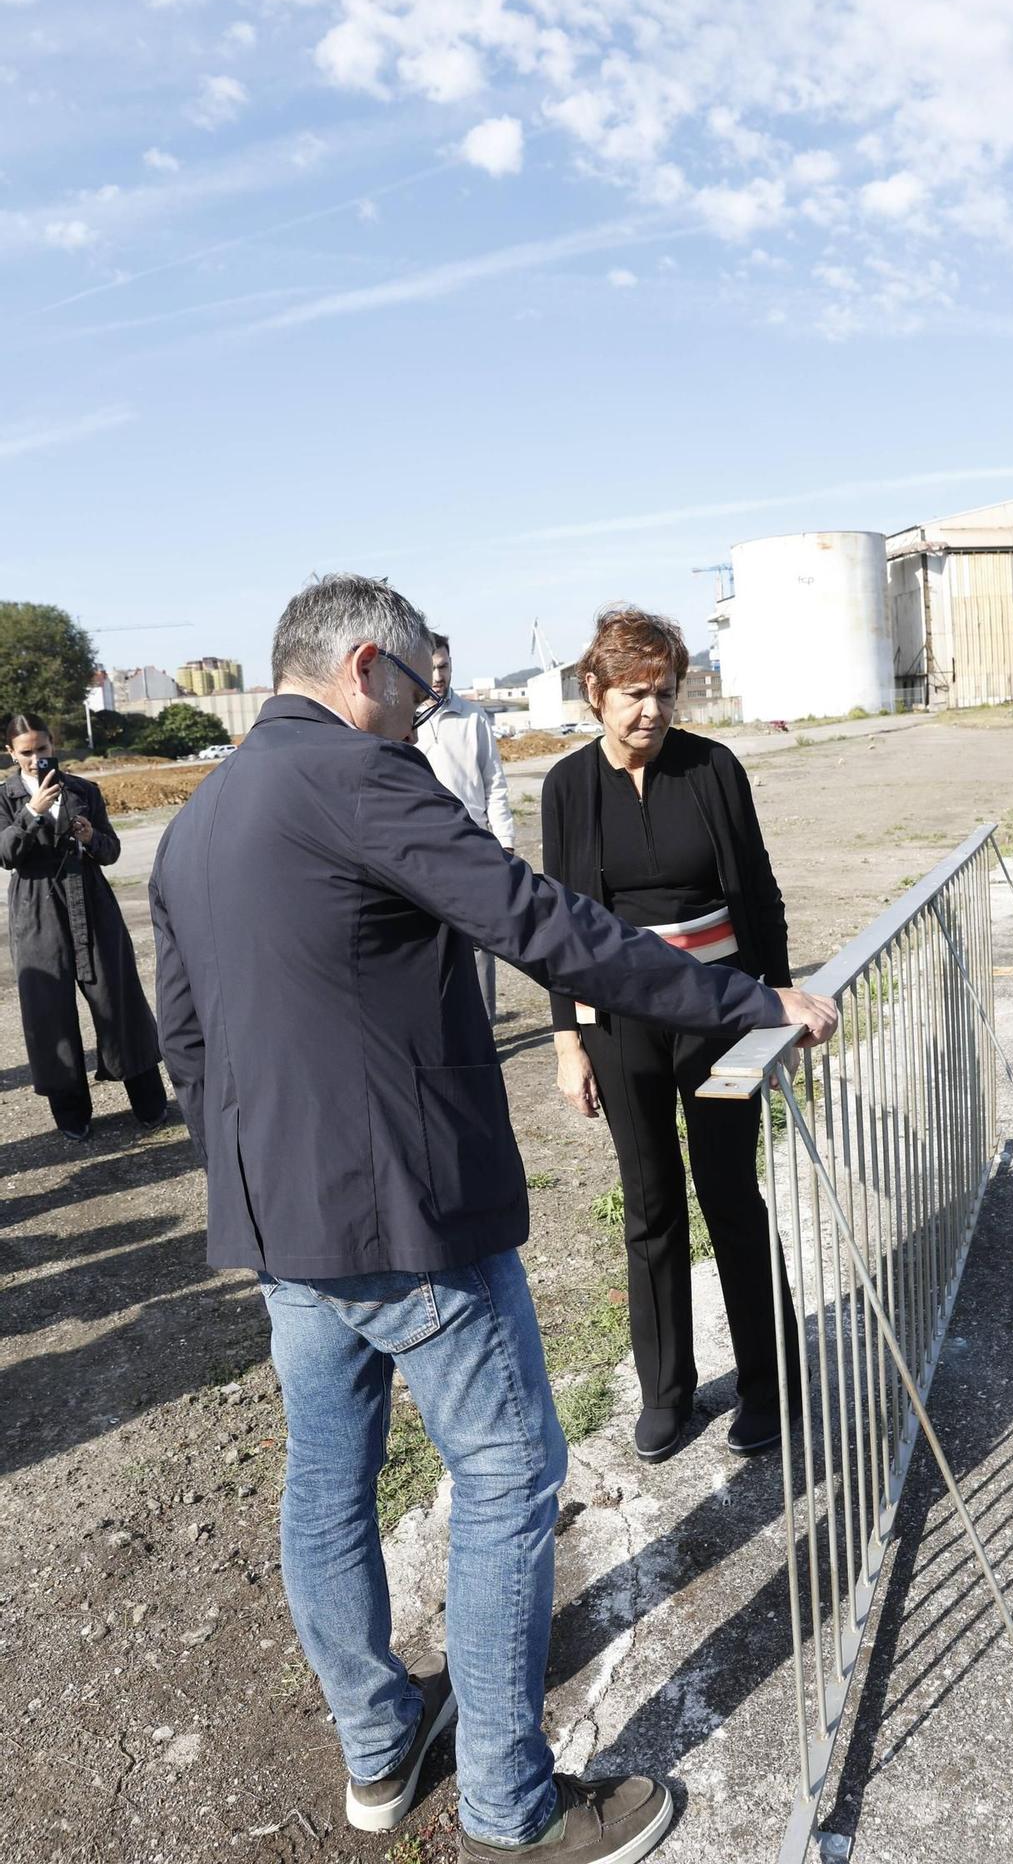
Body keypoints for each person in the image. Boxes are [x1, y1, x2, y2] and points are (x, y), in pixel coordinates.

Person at [148, 574, 836, 1862]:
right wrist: (743, 1000)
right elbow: (541, 923)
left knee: (327, 1484)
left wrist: (251, 1177)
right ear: (364, 667)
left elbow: (186, 1038)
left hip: (281, 1222)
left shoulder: (199, 822)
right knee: (510, 1474)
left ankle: (376, 1748)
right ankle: (513, 1805)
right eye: (419, 689)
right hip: (408, 1217)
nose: (424, 714)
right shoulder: (359, 776)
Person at [541, 608, 803, 1465]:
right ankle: (667, 1391)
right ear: (595, 692)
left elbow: (756, 892)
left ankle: (770, 1382)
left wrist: (774, 999)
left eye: (663, 692)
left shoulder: (713, 768)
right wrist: (569, 1042)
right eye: (632, 693)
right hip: (622, 1025)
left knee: (730, 1192)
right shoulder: (567, 788)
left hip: (720, 1013)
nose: (649, 710)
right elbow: (564, 932)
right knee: (649, 1205)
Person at [1, 713, 167, 1141]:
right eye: (26, 752)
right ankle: (71, 1113)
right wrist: (32, 814)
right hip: (36, 908)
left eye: (42, 749)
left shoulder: (83, 790)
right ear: (10, 753)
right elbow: (5, 854)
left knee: (119, 998)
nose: (36, 759)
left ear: (53, 744)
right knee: (48, 1010)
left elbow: (111, 851)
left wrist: (93, 837)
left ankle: (148, 1100)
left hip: (90, 897)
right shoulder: (5, 797)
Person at [415, 631, 515, 1022]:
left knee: (480, 941)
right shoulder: (404, 720)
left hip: (474, 842)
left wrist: (504, 840)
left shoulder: (473, 717)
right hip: (422, 849)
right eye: (431, 667)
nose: (438, 676)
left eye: (444, 666)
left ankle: (486, 1026)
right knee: (431, 943)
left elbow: (495, 782)